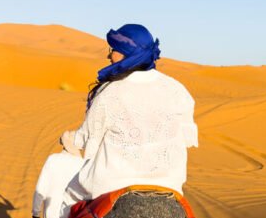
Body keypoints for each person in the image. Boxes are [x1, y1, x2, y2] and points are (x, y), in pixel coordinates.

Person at [61, 23, 198, 200]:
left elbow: (86, 138)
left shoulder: (110, 92)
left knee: (66, 198)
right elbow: (186, 139)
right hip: (170, 186)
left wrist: (67, 138)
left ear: (127, 53)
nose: (109, 55)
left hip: (112, 186)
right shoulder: (177, 89)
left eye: (114, 50)